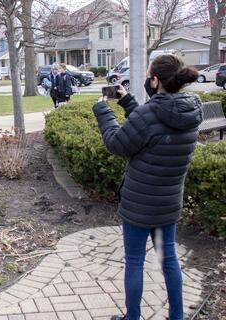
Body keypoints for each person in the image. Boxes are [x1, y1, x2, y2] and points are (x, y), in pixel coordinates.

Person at [92, 55, 202, 320]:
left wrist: (104, 111)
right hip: (168, 204)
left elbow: (117, 143)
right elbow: (151, 127)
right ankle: (177, 316)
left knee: (134, 262)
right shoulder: (191, 110)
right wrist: (128, 101)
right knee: (169, 259)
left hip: (139, 207)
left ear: (155, 80)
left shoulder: (150, 113)